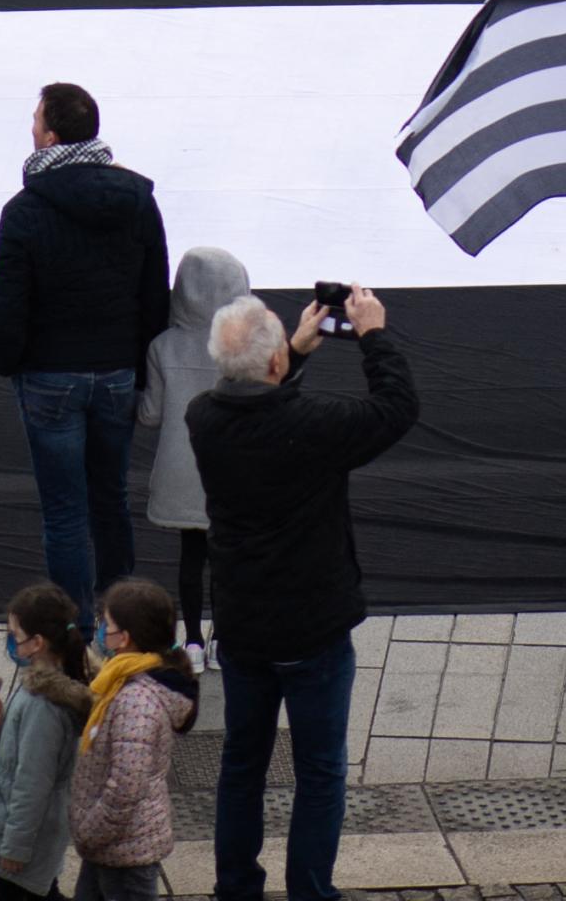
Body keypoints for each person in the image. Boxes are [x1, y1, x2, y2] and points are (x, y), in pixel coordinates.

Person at [187, 287, 417, 901]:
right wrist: (372, 334)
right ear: (272, 368)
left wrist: (292, 350)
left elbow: (256, 406)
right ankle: (310, 892)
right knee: (320, 772)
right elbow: (396, 408)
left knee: (242, 766)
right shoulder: (314, 427)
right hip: (312, 629)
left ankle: (236, 887)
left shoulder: (202, 419)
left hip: (243, 625)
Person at [0, 83, 172, 620]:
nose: (31, 127)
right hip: (115, 374)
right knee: (111, 499)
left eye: (35, 119)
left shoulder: (24, 210)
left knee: (65, 513)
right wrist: (139, 366)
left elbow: (8, 301)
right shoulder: (137, 199)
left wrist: (6, 359)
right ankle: (126, 625)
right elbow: (153, 292)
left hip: (49, 378)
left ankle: (74, 634)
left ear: (51, 134)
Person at [139, 246, 248, 669]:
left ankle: (193, 641)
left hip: (180, 470)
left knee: (191, 556)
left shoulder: (164, 346)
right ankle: (224, 638)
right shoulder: (241, 345)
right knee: (226, 557)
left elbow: (150, 415)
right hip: (229, 469)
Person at [0, 582, 92, 901]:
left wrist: (16, 847)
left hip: (25, 840)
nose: (11, 640)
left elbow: (32, 783)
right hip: (35, 837)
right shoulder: (50, 688)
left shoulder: (42, 706)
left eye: (15, 634)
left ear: (37, 643)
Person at [70, 579, 198, 901]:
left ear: (124, 637)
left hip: (123, 846)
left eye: (107, 625)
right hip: (113, 844)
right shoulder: (122, 678)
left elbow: (126, 785)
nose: (102, 631)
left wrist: (90, 831)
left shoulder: (136, 701)